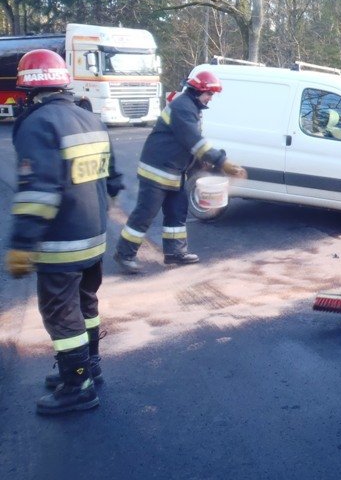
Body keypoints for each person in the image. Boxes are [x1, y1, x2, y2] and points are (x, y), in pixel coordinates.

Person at [4, 49, 124, 415]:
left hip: (61, 243)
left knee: (60, 312)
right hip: (94, 236)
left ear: (28, 89)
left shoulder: (38, 124)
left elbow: (38, 192)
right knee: (86, 303)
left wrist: (22, 244)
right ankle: (90, 366)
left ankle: (77, 386)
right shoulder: (90, 118)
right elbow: (113, 179)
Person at [114, 70, 246, 274]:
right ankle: (124, 254)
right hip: (157, 170)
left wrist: (200, 162)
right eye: (209, 94)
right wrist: (223, 163)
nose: (211, 98)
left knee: (177, 211)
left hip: (174, 171)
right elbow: (194, 141)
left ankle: (175, 252)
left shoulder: (191, 108)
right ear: (198, 90)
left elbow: (186, 143)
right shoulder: (183, 107)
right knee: (145, 214)